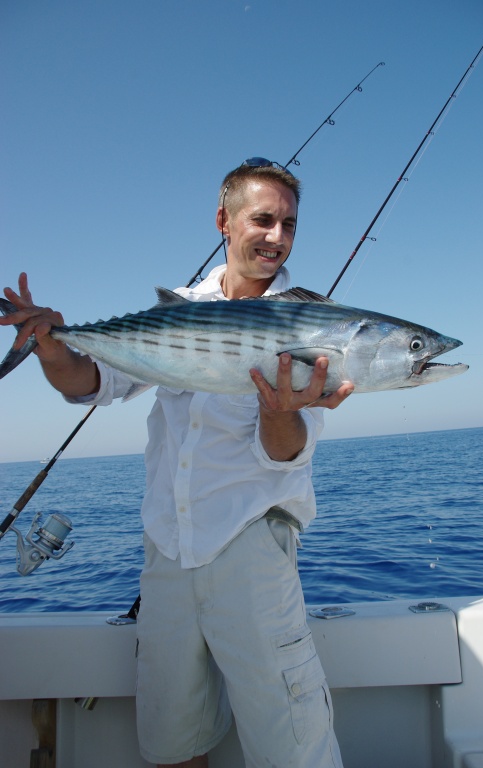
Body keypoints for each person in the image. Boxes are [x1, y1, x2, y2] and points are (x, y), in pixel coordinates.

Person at [1, 159, 354, 768]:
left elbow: (286, 451)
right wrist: (52, 343)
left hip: (250, 550)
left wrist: (279, 410)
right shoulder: (175, 310)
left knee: (291, 752)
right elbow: (88, 380)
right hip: (166, 551)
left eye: (289, 225)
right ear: (224, 221)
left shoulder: (309, 323)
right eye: (263, 219)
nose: (277, 237)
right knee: (173, 744)